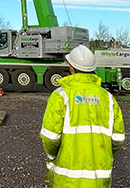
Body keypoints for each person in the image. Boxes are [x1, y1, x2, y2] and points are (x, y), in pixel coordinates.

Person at [40, 44, 125, 187]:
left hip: (66, 180)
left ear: (71, 68)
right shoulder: (108, 98)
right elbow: (117, 139)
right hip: (99, 179)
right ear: (93, 69)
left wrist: (52, 156)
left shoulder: (60, 96)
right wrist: (102, 152)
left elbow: (50, 137)